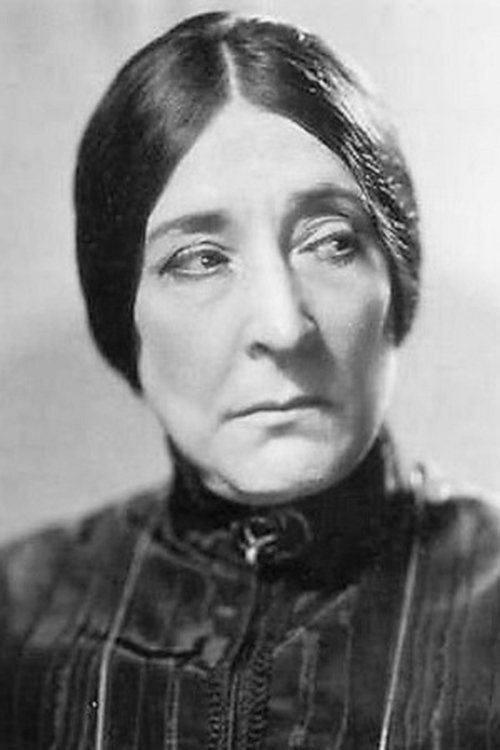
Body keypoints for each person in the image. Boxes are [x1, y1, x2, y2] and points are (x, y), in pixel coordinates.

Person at [1, 11, 499, 749]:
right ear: (122, 316)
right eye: (200, 259)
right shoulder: (18, 618)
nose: (283, 325)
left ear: (396, 284)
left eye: (331, 242)